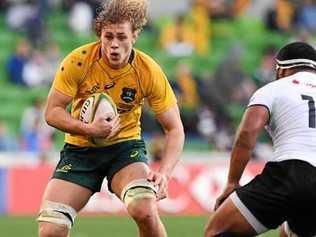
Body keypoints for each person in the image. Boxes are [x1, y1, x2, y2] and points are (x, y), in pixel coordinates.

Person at [37, 0, 185, 237]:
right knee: (50, 229)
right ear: (100, 36)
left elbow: (175, 129)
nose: (114, 45)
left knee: (145, 210)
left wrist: (165, 173)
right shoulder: (78, 61)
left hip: (125, 149)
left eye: (121, 37)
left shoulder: (148, 70)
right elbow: (52, 112)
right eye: (108, 36)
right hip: (80, 151)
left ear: (134, 36)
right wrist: (89, 129)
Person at [204, 41, 316, 237]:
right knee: (290, 232)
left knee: (217, 230)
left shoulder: (274, 88)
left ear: (281, 69)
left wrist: (232, 181)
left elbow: (247, 134)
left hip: (292, 171)